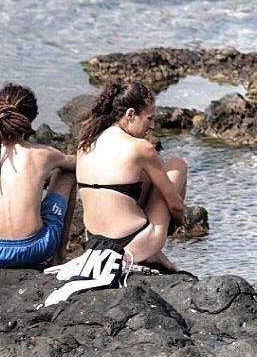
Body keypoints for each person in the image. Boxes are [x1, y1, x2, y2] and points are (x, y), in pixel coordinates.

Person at [0, 84, 76, 269]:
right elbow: (76, 164)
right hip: (36, 249)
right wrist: (47, 175)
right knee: (66, 173)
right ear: (30, 119)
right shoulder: (43, 154)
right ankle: (59, 257)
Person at [73, 80, 188, 273]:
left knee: (139, 179)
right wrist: (179, 221)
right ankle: (150, 250)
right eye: (149, 119)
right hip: (130, 243)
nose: (153, 126)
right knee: (177, 165)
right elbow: (175, 205)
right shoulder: (140, 148)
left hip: (94, 243)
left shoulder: (85, 142)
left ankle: (151, 252)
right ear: (130, 115)